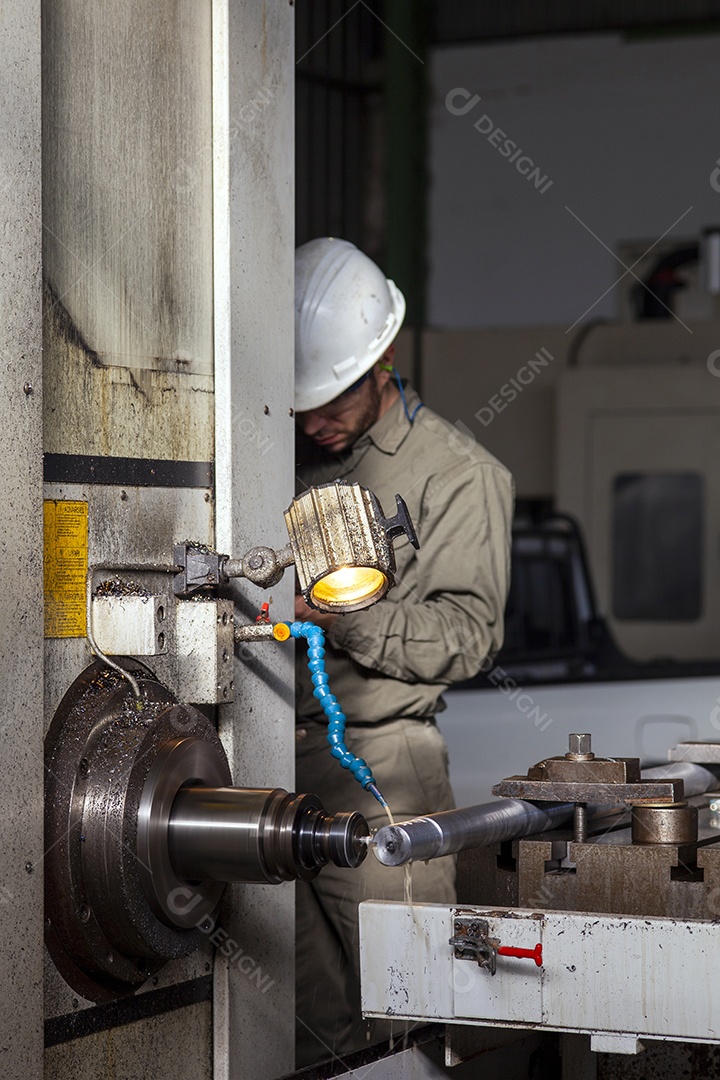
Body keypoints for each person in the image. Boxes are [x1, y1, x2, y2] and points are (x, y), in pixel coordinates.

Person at [293, 237, 514, 1067]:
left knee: (405, 1020)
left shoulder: (458, 476)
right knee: (301, 1021)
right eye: (298, 402)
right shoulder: (276, 456)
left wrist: (345, 613)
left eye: (332, 397)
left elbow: (467, 636)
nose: (314, 421)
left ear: (382, 356)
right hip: (261, 771)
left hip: (382, 771)